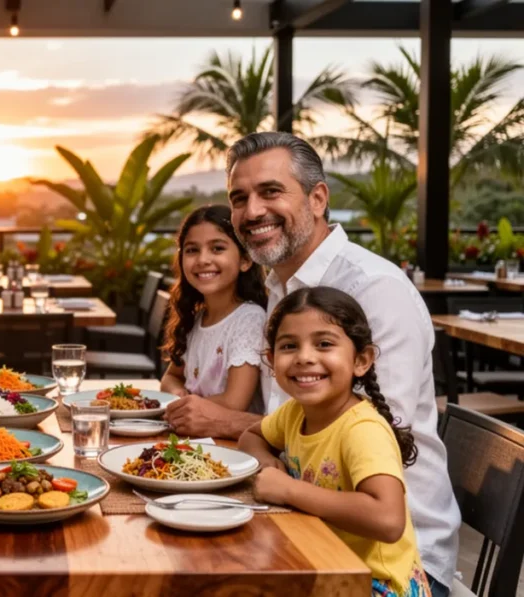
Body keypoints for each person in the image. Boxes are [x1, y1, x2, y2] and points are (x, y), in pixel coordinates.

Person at [225, 131, 458, 596]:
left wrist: (282, 486)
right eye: (239, 198)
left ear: (317, 199)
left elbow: (379, 432)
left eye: (270, 191)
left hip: (395, 563)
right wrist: (270, 469)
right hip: (311, 527)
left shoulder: (375, 289)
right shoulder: (281, 289)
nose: (251, 212)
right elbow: (277, 429)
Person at [240, 287, 432, 597]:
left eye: (324, 344)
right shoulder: (294, 412)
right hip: (323, 561)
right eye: (289, 346)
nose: (304, 358)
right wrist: (268, 464)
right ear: (271, 360)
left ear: (362, 360)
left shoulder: (362, 429)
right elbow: (251, 436)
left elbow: (388, 519)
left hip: (375, 584)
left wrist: (289, 489)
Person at [161, 205, 267, 437]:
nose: (203, 259)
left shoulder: (249, 319)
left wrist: (186, 407)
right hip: (193, 436)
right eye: (192, 250)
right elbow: (170, 377)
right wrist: (180, 396)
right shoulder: (197, 317)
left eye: (217, 248)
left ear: (245, 260)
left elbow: (234, 402)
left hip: (233, 446)